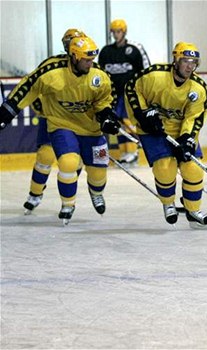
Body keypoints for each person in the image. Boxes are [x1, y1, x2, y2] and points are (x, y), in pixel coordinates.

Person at [0, 36, 120, 224]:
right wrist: (7, 111)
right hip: (61, 124)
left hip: (90, 129)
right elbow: (28, 87)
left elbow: (106, 99)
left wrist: (106, 115)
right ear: (73, 56)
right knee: (66, 161)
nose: (90, 64)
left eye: (92, 59)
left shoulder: (99, 76)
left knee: (98, 174)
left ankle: (96, 192)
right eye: (86, 60)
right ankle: (67, 204)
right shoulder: (51, 71)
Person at [124, 42, 207, 229]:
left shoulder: (198, 89)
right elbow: (132, 87)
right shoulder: (155, 76)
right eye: (186, 61)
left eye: (194, 62)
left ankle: (193, 211)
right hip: (152, 130)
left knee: (193, 168)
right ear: (176, 60)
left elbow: (194, 118)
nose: (190, 66)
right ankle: (168, 203)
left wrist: (187, 139)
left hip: (180, 129)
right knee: (165, 168)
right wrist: (143, 114)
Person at [22, 28, 87, 215]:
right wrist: (38, 105)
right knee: (45, 155)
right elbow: (32, 84)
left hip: (77, 121)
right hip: (52, 118)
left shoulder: (88, 66)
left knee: (74, 161)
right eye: (68, 43)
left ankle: (68, 194)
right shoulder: (52, 64)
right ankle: (35, 194)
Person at [99, 19, 150, 166]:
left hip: (130, 93)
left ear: (124, 31)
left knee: (128, 120)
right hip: (113, 94)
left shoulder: (134, 49)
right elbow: (100, 73)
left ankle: (133, 151)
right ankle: (125, 152)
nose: (116, 35)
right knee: (118, 123)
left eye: (118, 31)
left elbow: (145, 70)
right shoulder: (106, 51)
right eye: (113, 31)